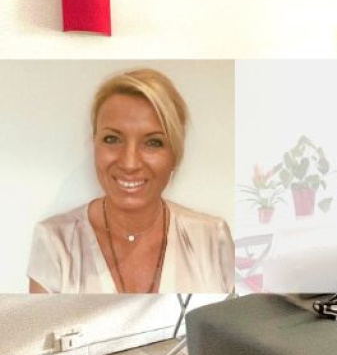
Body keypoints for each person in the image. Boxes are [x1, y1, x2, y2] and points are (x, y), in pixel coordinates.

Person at [28, 68, 233, 294]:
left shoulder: (213, 240)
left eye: (153, 143)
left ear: (175, 154)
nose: (129, 163)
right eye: (112, 139)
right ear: (94, 145)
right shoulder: (55, 242)